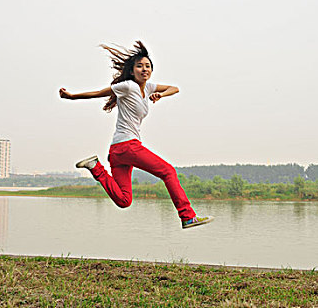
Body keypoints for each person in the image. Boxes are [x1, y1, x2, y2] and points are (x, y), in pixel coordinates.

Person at [59, 41, 213, 229]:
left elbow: (175, 88)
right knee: (168, 172)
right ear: (132, 71)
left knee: (124, 200)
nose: (144, 69)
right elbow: (99, 92)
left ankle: (95, 166)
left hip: (118, 151)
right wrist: (72, 96)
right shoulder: (128, 86)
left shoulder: (148, 88)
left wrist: (160, 96)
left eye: (147, 66)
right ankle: (187, 216)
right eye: (139, 66)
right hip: (127, 146)